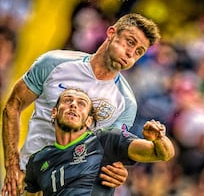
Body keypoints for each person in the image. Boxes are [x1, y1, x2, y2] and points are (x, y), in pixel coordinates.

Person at [1, 13, 161, 196]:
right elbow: (13, 107)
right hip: (25, 180)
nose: (131, 54)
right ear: (111, 33)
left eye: (139, 51)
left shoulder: (126, 103)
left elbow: (110, 152)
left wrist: (118, 172)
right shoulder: (54, 63)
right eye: (130, 42)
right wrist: (12, 165)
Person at [23, 88, 175, 195]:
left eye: (81, 103)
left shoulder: (104, 140)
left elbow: (163, 154)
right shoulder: (37, 160)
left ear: (89, 121)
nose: (74, 105)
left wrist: (159, 139)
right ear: (54, 112)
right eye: (68, 100)